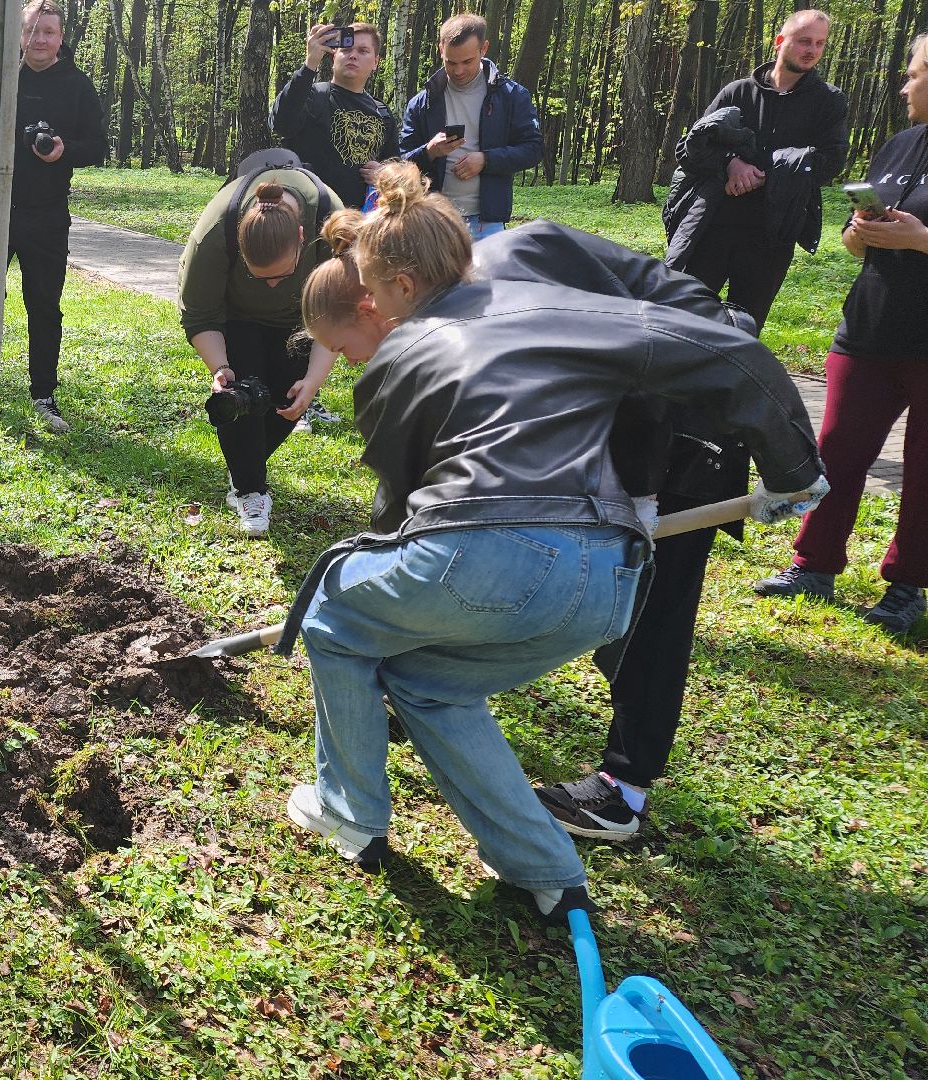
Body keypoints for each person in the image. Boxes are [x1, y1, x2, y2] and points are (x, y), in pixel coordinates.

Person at [280, 164, 825, 921]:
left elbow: (399, 518)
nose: (370, 307)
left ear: (402, 285)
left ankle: (350, 816)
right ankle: (545, 871)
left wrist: (382, 605)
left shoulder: (401, 357)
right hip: (610, 581)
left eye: (372, 291)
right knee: (430, 684)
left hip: (485, 554)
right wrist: (795, 473)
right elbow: (730, 350)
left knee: (332, 618)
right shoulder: (563, 308)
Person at [456, 221, 761, 840]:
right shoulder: (474, 292)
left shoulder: (512, 282)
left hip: (690, 416)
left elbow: (638, 367)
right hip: (630, 414)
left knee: (653, 607)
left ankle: (623, 791)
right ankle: (432, 687)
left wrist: (641, 495)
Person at [754, 33, 928, 637]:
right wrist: (860, 232)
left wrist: (921, 240)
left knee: (924, 467)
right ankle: (813, 564)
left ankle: (907, 586)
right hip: (871, 325)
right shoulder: (900, 145)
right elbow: (858, 242)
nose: (904, 87)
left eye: (914, 74)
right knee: (835, 451)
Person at [0, 0, 106, 435]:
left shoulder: (77, 85)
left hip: (47, 214)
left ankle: (43, 393)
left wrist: (63, 151)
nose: (39, 39)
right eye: (32, 30)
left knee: (44, 305)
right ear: (19, 35)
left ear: (60, 37)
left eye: (48, 31)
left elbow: (98, 146)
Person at [175, 161, 342, 536]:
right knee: (241, 397)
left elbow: (336, 315)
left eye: (282, 275)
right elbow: (200, 314)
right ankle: (249, 488)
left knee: (287, 399)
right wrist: (221, 368)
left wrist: (313, 381)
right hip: (235, 316)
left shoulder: (332, 225)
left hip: (304, 317)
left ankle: (244, 466)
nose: (271, 286)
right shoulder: (214, 233)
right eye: (258, 275)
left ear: (303, 238)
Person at [662, 9, 848, 331]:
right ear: (780, 41)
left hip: (772, 235)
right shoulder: (737, 92)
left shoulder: (829, 101)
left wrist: (762, 174)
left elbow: (829, 163)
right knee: (683, 320)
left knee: (745, 330)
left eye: (820, 43)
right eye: (804, 41)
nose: (812, 50)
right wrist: (730, 164)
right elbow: (689, 148)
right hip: (712, 226)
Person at [397, 14, 542, 240]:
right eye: (451, 62)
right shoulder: (422, 103)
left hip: (488, 222)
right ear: (440, 50)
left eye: (467, 62)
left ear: (484, 49)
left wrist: (486, 160)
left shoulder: (511, 96)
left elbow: (533, 150)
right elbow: (402, 161)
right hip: (433, 220)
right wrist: (430, 151)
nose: (458, 71)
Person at [269, 21, 398, 210]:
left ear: (375, 62)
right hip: (311, 218)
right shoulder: (311, 96)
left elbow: (396, 166)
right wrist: (310, 62)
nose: (353, 55)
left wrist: (385, 175)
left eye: (363, 51)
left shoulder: (382, 113)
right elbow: (281, 123)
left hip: (362, 223)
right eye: (346, 49)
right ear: (334, 55)